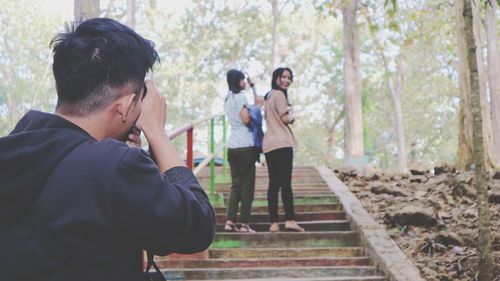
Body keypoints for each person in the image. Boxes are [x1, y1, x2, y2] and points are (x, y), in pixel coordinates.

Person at [0, 18, 215, 281]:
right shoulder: (115, 166)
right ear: (124, 106)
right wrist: (156, 132)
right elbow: (197, 227)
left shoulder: (16, 148)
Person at [262, 67, 304, 233]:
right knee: (285, 183)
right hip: (282, 143)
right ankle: (290, 220)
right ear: (277, 78)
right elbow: (285, 118)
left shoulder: (269, 96)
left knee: (273, 184)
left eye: (289, 78)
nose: (286, 80)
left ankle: (273, 223)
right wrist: (292, 114)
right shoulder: (279, 95)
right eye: (283, 77)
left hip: (269, 145)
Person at [223, 69, 262, 233]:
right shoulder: (241, 97)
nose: (245, 82)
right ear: (237, 81)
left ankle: (230, 221)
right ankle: (244, 224)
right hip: (245, 144)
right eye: (243, 79)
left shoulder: (227, 98)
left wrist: (252, 87)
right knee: (247, 186)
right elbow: (246, 119)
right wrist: (255, 112)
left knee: (235, 185)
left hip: (232, 145)